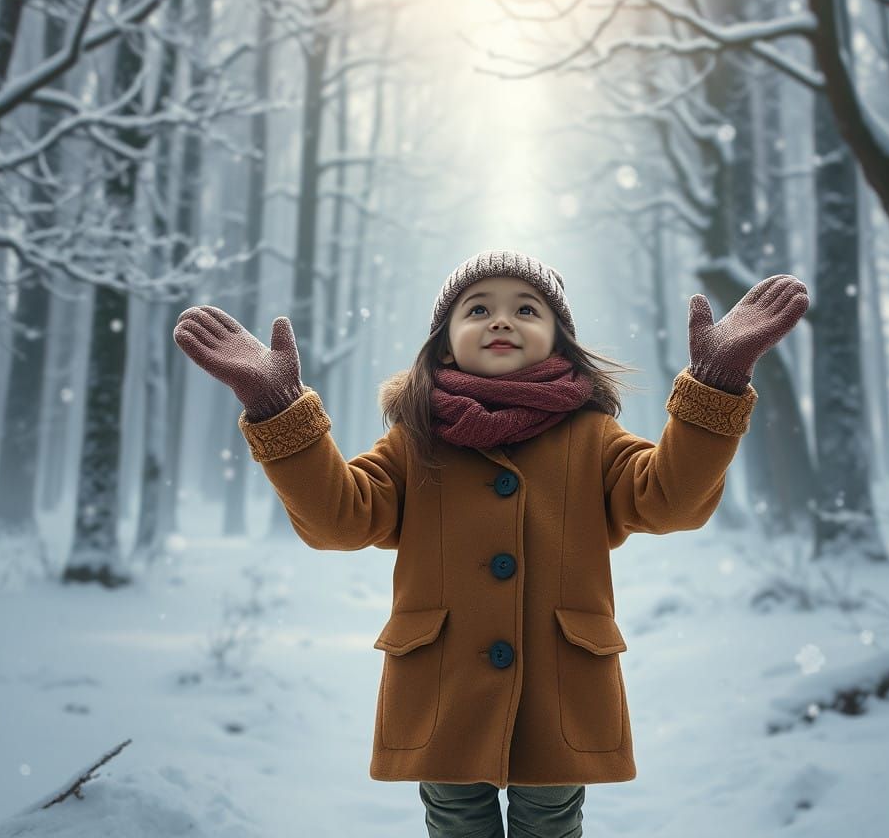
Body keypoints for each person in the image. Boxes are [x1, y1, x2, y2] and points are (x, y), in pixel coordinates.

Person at [173, 249, 808, 838]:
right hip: (442, 685)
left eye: (526, 310)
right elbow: (340, 519)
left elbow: (670, 501)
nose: (501, 320)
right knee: (453, 820)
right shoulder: (414, 440)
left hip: (560, 684)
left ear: (559, 341)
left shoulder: (593, 437)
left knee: (551, 822)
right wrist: (277, 407)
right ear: (443, 346)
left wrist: (715, 385)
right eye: (477, 309)